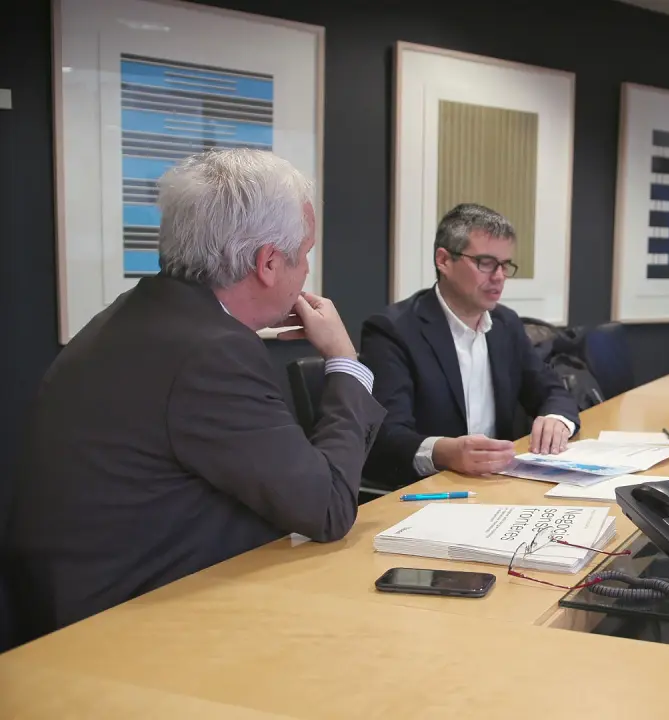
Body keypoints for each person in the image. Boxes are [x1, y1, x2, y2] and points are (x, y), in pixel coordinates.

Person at [3, 149, 385, 641]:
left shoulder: (138, 315)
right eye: (304, 253)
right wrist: (345, 360)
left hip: (75, 606)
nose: (307, 269)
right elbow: (328, 507)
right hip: (128, 630)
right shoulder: (212, 354)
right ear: (268, 263)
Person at [361, 203, 579, 487]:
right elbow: (387, 436)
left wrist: (556, 419)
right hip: (429, 489)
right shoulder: (392, 330)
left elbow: (551, 390)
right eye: (485, 263)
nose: (498, 276)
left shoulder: (505, 324)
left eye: (505, 265)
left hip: (497, 483)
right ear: (444, 260)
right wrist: (444, 453)